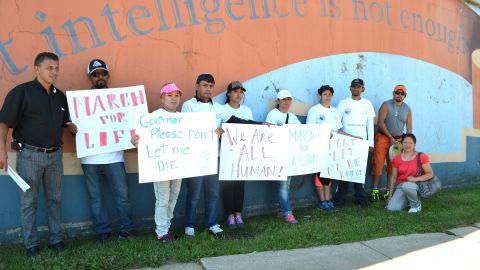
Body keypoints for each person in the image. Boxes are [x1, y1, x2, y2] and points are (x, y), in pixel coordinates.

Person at [0, 52, 77, 257]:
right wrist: (2, 152)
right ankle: (31, 244)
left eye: (57, 68)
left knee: (55, 199)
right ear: (37, 69)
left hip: (55, 156)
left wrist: (73, 128)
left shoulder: (60, 97)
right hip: (29, 156)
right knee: (29, 201)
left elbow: (66, 124)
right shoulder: (21, 93)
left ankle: (55, 239)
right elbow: (4, 123)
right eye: (49, 68)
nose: (54, 72)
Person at [181, 74, 260, 236]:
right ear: (197, 86)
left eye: (211, 86)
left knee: (213, 193)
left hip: (214, 157)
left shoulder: (217, 108)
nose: (208, 89)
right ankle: (190, 225)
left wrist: (261, 125)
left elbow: (237, 121)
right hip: (194, 158)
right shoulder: (188, 106)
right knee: (194, 194)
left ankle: (211, 223)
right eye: (204, 85)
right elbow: (185, 131)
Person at [80, 59, 135, 242]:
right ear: (90, 78)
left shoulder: (120, 100)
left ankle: (126, 230)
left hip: (114, 158)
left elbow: (130, 122)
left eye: (103, 73)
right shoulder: (80, 102)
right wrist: (73, 128)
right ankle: (102, 232)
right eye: (95, 74)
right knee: (95, 198)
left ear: (108, 76)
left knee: (123, 197)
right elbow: (73, 124)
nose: (100, 77)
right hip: (90, 159)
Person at [131, 83, 183, 242]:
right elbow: (141, 140)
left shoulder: (183, 118)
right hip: (160, 167)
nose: (173, 99)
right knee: (162, 199)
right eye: (169, 95)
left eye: (176, 95)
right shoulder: (153, 118)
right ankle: (161, 232)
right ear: (162, 98)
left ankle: (167, 227)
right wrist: (136, 141)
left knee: (173, 197)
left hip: (179, 165)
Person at [306, 85, 358, 211]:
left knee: (327, 174)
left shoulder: (334, 111)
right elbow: (309, 130)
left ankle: (328, 200)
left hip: (333, 148)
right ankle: (322, 201)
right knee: (319, 174)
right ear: (320, 96)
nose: (327, 97)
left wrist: (354, 138)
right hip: (319, 148)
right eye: (325, 94)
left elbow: (339, 130)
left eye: (329, 94)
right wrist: (323, 134)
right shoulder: (314, 110)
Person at [334, 79, 375, 208]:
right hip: (345, 143)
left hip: (362, 143)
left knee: (360, 171)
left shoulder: (367, 104)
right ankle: (340, 199)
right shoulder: (343, 103)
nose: (356, 89)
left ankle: (360, 199)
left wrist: (371, 143)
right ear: (350, 88)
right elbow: (337, 123)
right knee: (344, 171)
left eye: (359, 87)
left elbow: (370, 125)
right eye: (354, 87)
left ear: (363, 89)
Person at [370, 85, 412, 202]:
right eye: (397, 92)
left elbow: (409, 128)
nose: (399, 95)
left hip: (398, 141)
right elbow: (380, 123)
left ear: (405, 96)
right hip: (383, 138)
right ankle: (375, 190)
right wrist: (390, 137)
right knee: (378, 163)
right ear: (393, 93)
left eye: (402, 93)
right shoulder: (386, 105)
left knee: (392, 166)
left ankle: (389, 190)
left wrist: (407, 142)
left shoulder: (407, 109)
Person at [221, 81, 253, 229]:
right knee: (228, 186)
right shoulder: (222, 110)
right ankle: (230, 215)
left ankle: (239, 214)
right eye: (235, 91)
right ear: (228, 94)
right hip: (228, 154)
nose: (238, 95)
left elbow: (252, 130)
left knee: (240, 186)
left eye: (241, 92)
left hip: (244, 154)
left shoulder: (247, 110)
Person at [265, 89, 300, 224]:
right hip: (277, 157)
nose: (286, 102)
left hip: (290, 157)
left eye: (289, 99)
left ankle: (282, 210)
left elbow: (302, 133)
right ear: (278, 101)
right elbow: (269, 134)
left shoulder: (293, 117)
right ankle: (288, 213)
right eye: (284, 99)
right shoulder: (272, 115)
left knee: (287, 185)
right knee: (282, 186)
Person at [386, 133, 433, 213]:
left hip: (417, 185)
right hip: (401, 186)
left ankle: (416, 205)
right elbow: (393, 177)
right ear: (402, 143)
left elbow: (430, 174)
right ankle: (408, 201)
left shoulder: (421, 156)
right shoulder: (396, 159)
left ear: (414, 144)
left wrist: (415, 179)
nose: (407, 145)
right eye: (405, 142)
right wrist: (390, 195)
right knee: (391, 208)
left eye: (410, 143)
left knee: (407, 185)